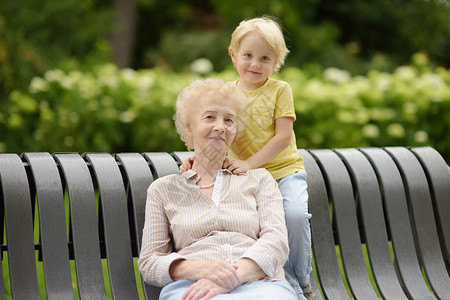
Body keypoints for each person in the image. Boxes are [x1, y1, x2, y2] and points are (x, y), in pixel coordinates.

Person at [180, 17, 315, 300]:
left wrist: (249, 163)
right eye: (248, 56)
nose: (255, 64)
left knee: (294, 216)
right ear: (233, 55)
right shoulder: (228, 94)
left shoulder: (280, 90)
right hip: (249, 181)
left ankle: (301, 279)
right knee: (253, 228)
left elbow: (281, 138)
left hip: (283, 172)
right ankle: (273, 280)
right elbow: (217, 135)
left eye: (265, 58)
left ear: (276, 61)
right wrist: (196, 160)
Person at [138, 78, 297, 300]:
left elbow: (277, 242)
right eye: (210, 117)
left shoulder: (259, 179)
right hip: (195, 287)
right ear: (189, 126)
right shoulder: (163, 189)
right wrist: (201, 269)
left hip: (260, 284)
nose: (220, 126)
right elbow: (150, 261)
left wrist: (230, 276)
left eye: (229, 120)